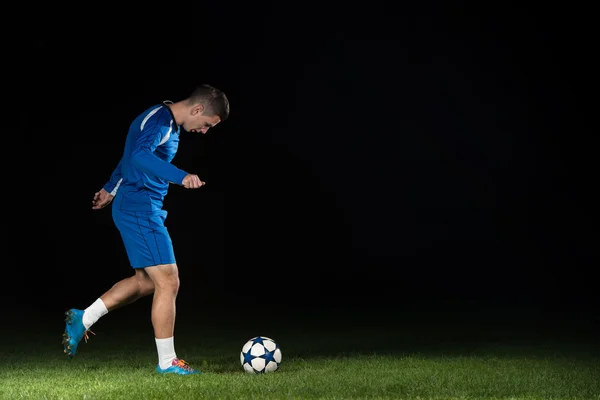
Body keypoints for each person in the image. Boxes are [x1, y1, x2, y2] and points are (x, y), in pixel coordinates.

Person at [62, 84, 230, 375]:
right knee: (169, 280)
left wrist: (110, 188)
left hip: (139, 205)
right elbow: (138, 156)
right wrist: (181, 176)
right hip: (139, 208)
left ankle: (83, 318)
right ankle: (167, 362)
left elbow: (130, 155)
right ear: (198, 109)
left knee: (146, 282)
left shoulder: (163, 120)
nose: (203, 131)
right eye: (206, 125)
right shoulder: (161, 121)